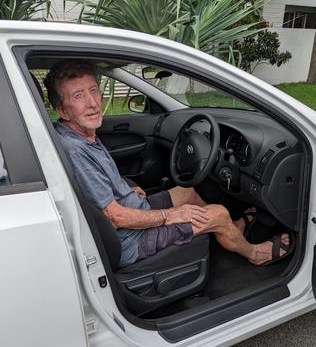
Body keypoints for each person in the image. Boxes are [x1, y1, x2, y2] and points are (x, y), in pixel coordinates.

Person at [44, 60, 292, 268]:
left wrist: (123, 190)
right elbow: (117, 218)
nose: (93, 103)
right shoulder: (76, 150)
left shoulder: (77, 134)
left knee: (189, 191)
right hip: (131, 240)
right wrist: (170, 215)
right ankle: (253, 253)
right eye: (78, 96)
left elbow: (99, 191)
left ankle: (229, 229)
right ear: (61, 110)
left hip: (132, 209)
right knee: (218, 212)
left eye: (94, 90)